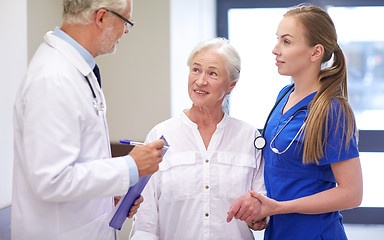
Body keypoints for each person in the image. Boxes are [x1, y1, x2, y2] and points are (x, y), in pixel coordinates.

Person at [12, 0, 165, 239]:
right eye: (126, 22)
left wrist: (107, 195)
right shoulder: (53, 78)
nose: (126, 31)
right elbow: (51, 180)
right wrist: (129, 166)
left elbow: (77, 162)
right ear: (101, 17)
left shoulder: (77, 70)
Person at [227, 4, 363, 240]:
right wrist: (263, 209)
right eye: (277, 40)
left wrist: (278, 207)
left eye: (286, 42)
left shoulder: (332, 110)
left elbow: (352, 194)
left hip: (315, 234)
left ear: (315, 52)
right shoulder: (284, 95)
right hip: (278, 232)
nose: (275, 49)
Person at [130, 38, 266, 240]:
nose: (200, 81)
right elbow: (145, 222)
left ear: (230, 85)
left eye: (212, 73)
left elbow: (262, 208)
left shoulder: (248, 137)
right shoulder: (160, 135)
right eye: (196, 70)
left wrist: (259, 215)